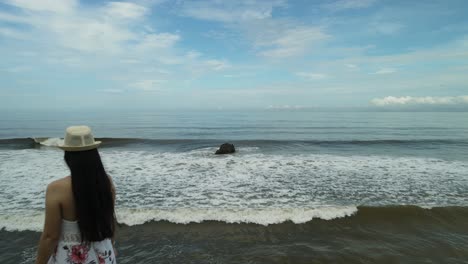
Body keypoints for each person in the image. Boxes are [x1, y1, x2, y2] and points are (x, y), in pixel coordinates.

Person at [36, 126, 117, 264]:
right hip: (104, 253)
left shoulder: (56, 188)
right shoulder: (106, 182)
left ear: (68, 156)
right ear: (95, 155)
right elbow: (109, 220)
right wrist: (112, 246)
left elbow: (50, 237)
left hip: (71, 257)